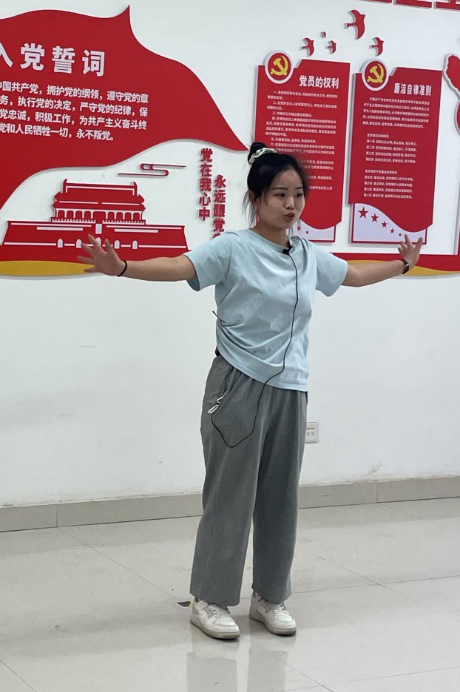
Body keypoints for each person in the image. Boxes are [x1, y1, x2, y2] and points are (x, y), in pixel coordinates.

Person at [79, 142, 423, 641]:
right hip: (237, 385)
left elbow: (351, 275)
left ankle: (270, 597)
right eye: (279, 194)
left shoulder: (306, 254)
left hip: (291, 389)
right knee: (231, 497)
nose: (291, 204)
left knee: (280, 499)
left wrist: (403, 264)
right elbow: (180, 266)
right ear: (256, 198)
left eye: (298, 194)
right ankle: (210, 599)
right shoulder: (233, 247)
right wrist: (124, 267)